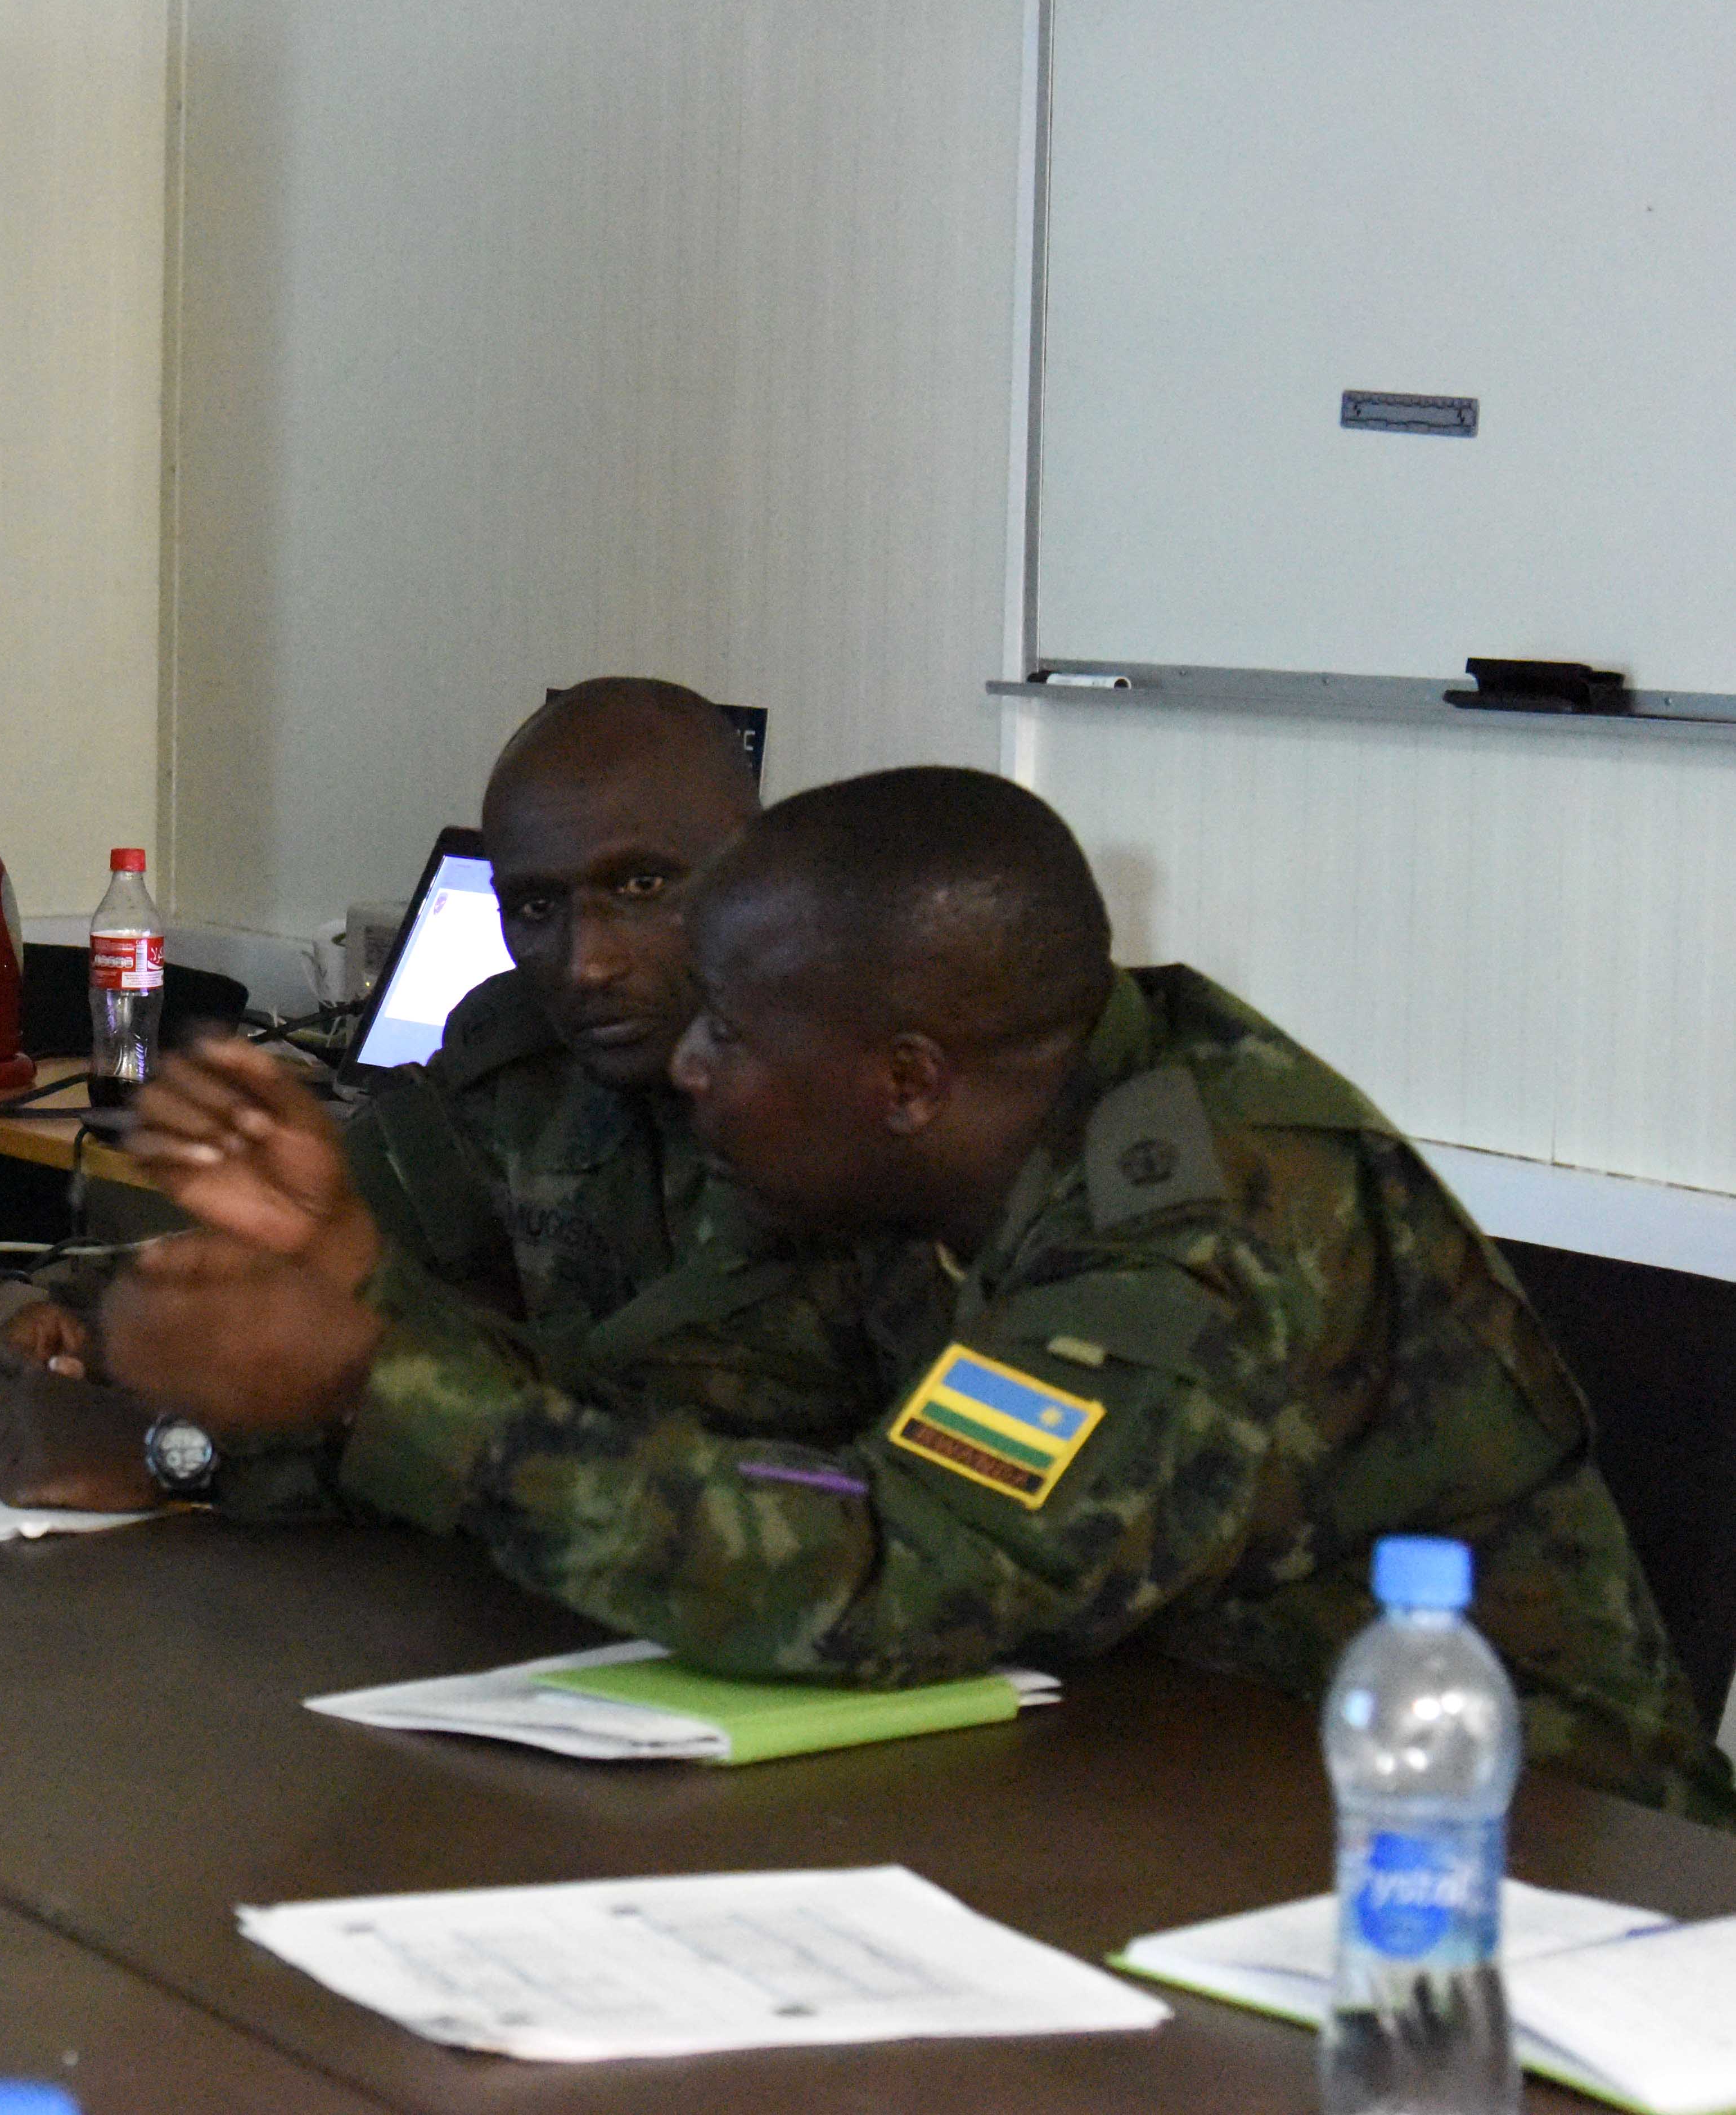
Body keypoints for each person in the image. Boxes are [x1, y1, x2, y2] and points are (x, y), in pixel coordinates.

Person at [105, 764, 1731, 1820]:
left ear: (903, 1078)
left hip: (1509, 1875)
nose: (686, 1065)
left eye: (729, 1033)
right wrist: (362, 1298)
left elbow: (896, 1575)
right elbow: (669, 1437)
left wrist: (368, 1378)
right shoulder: (913, 1164)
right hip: (1143, 1779)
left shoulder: (1201, 1229)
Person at [0, 679, 877, 1509]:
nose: (587, 962)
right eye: (535, 908)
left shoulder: (849, 1116)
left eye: (642, 885)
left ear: (758, 869)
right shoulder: (528, 1050)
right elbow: (334, 1254)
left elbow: (621, 1429)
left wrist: (185, 1452)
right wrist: (97, 1326)